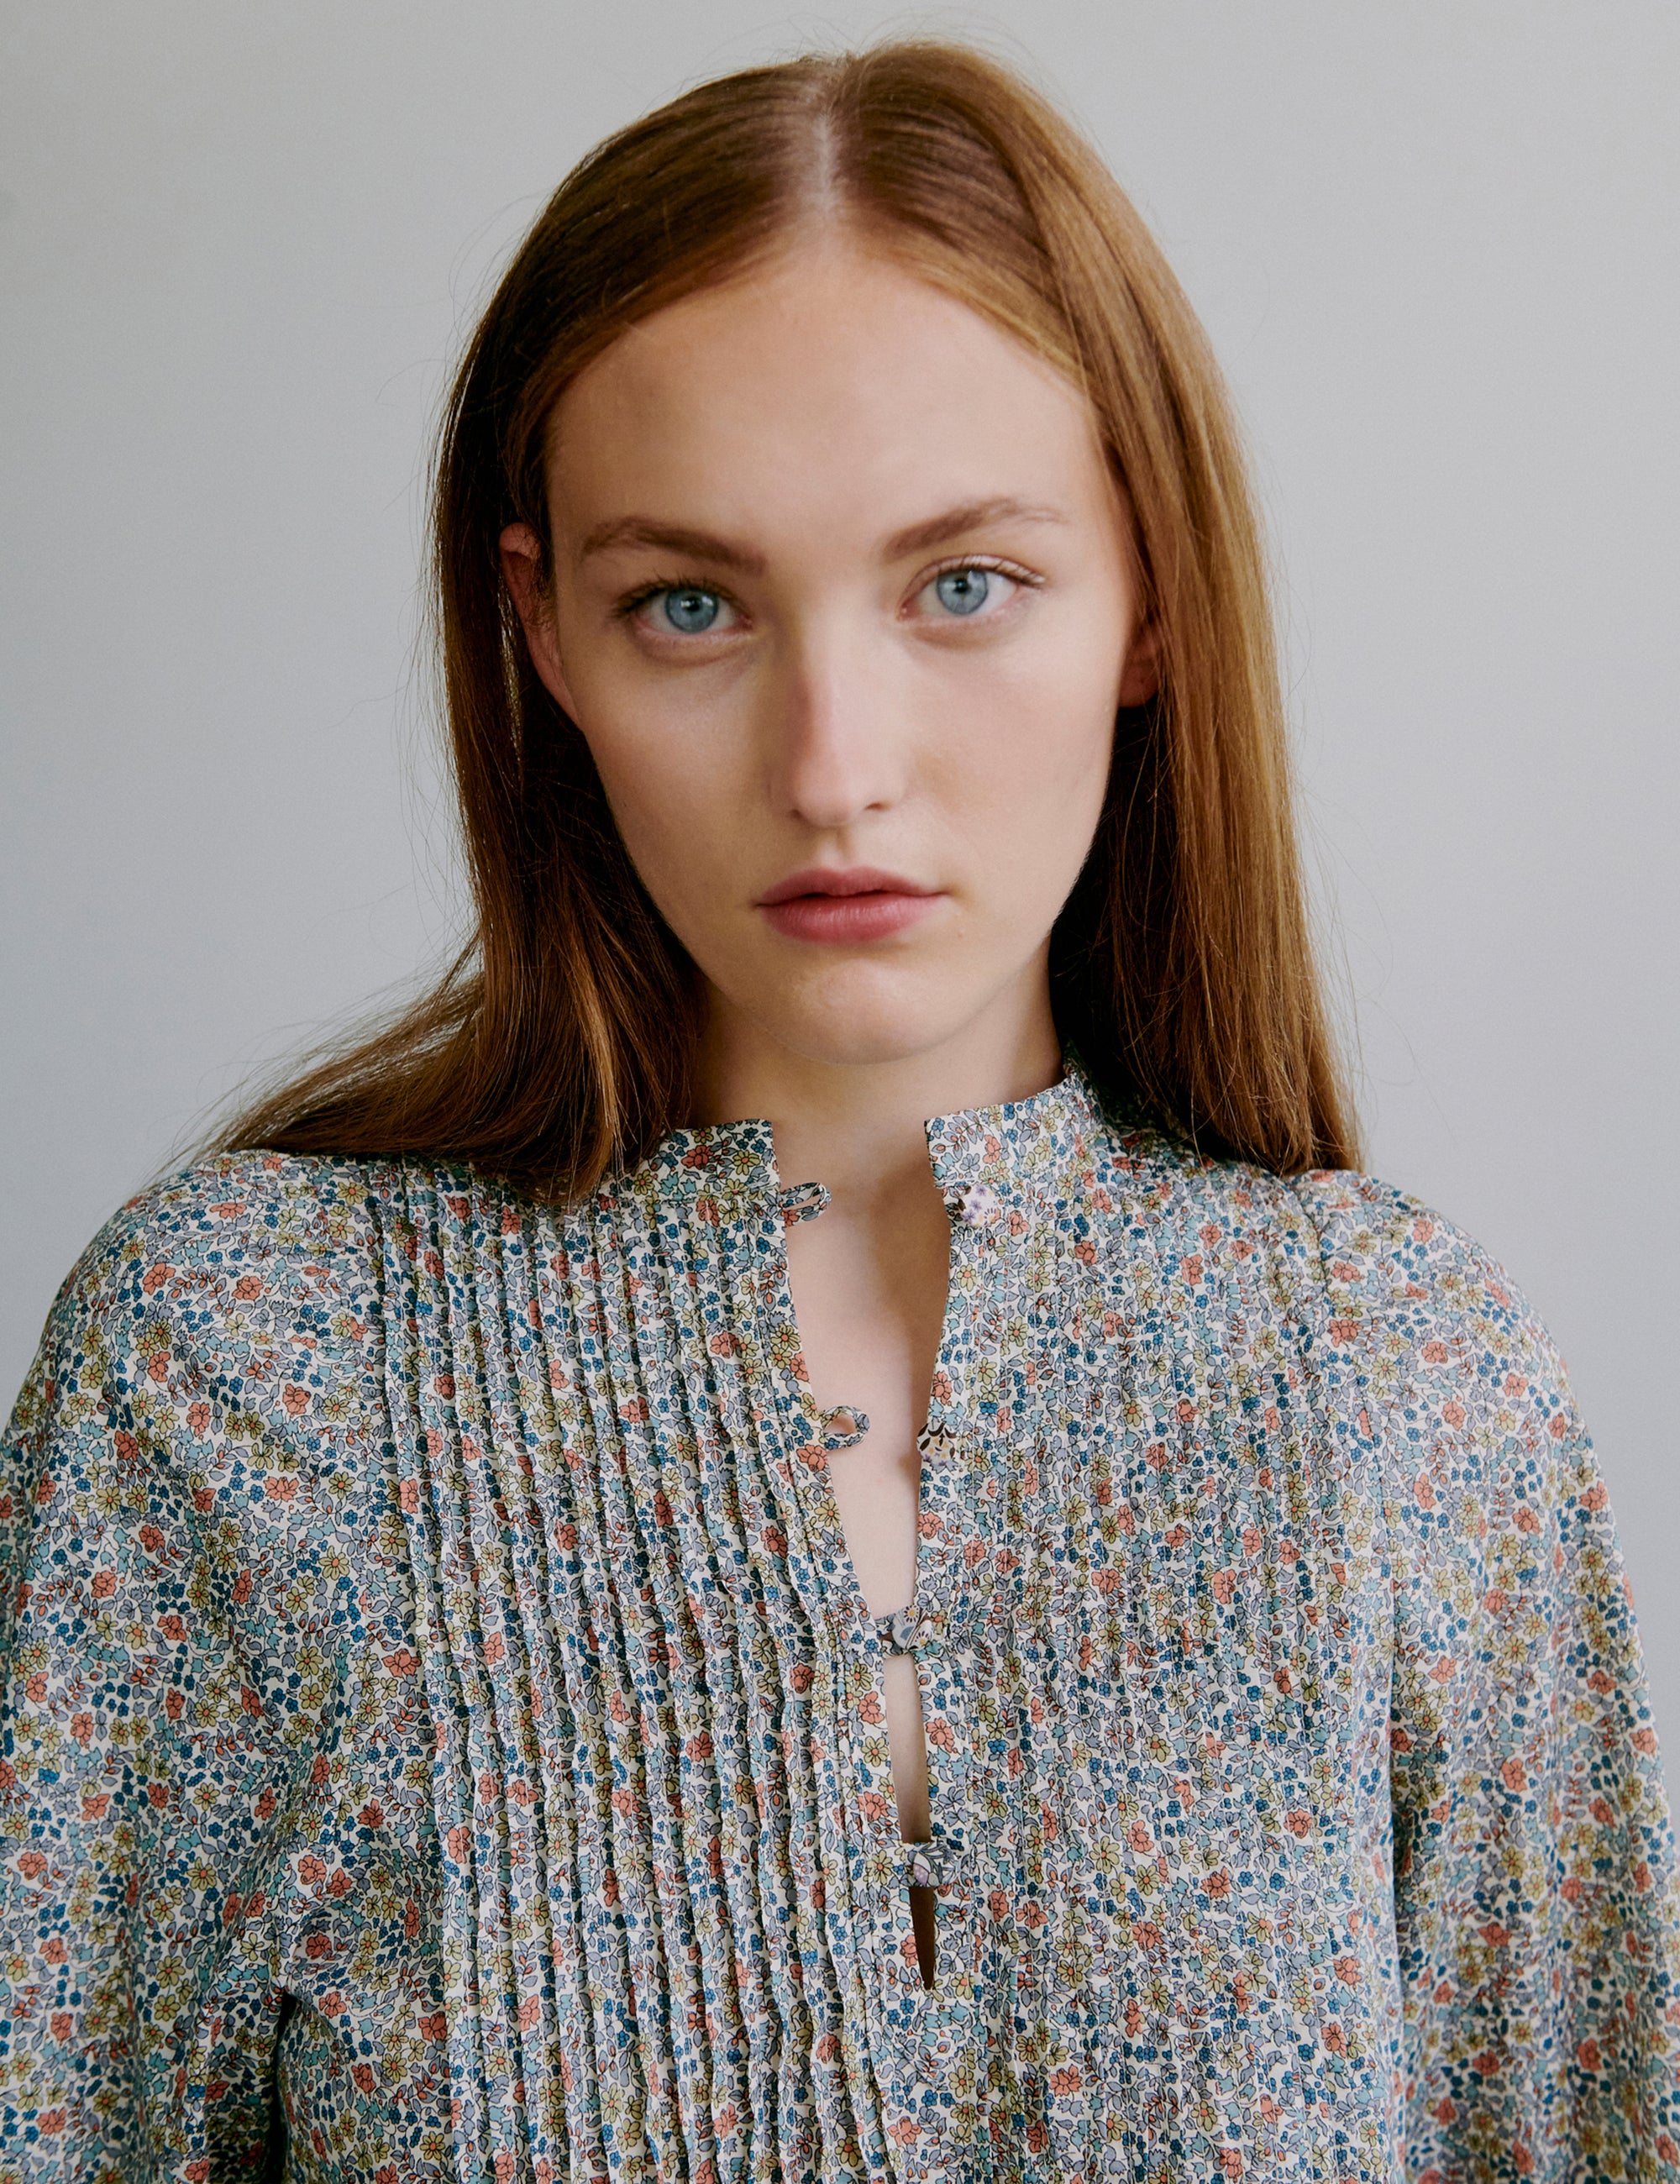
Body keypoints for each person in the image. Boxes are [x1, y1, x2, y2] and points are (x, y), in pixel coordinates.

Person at [2, 38, 1676, 2184]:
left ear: (1147, 598)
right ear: (541, 635)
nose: (833, 762)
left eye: (961, 584)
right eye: (687, 603)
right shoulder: (235, 1365)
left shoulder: (1401, 1379)